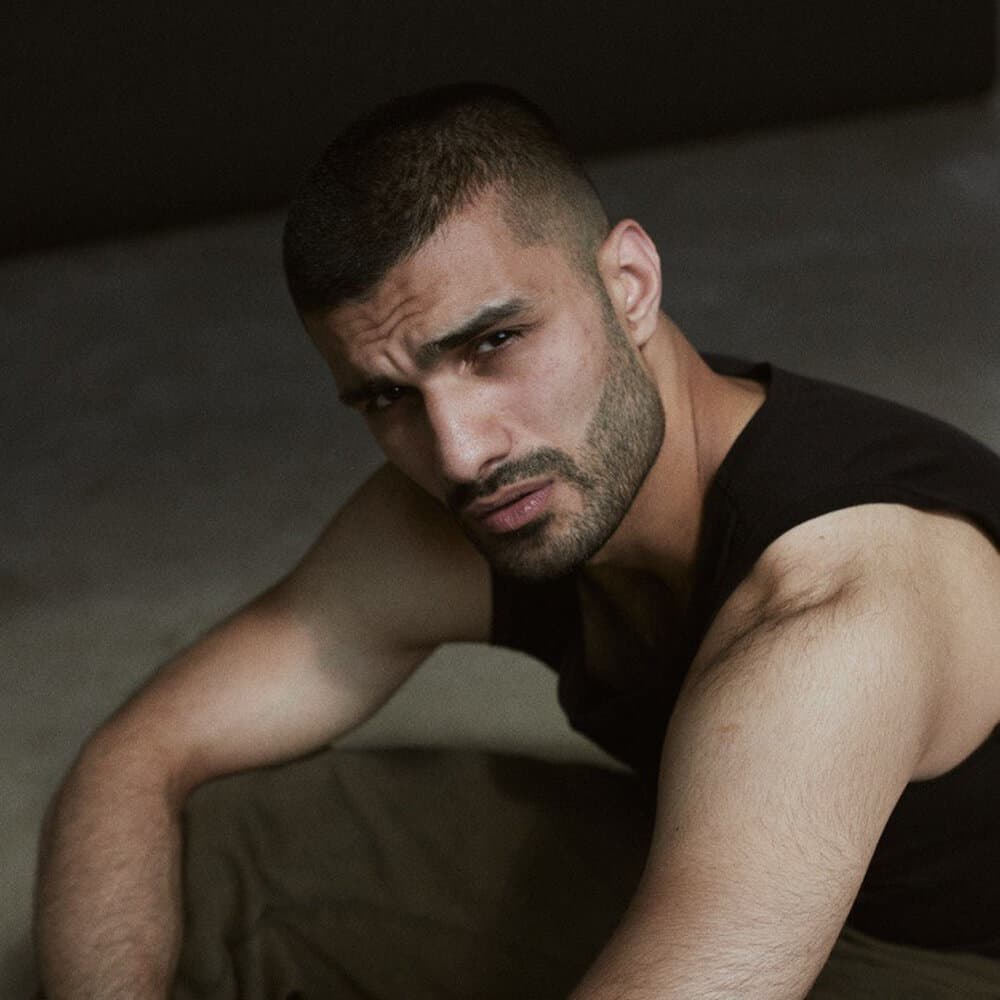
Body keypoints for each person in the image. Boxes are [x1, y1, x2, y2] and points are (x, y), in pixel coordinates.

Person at [34, 82, 1000, 999]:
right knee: (217, 851)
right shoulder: (511, 489)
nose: (460, 454)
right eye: (389, 396)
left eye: (491, 344)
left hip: (956, 966)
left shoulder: (836, 610)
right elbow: (140, 757)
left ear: (629, 284)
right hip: (746, 881)